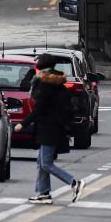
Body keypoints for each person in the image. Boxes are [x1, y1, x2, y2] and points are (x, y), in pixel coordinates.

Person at [15, 54, 84, 205]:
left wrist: (23, 123)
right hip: (53, 127)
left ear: (40, 66)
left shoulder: (46, 84)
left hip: (49, 128)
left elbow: (40, 108)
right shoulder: (56, 83)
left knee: (46, 163)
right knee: (41, 162)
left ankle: (73, 183)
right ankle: (44, 193)